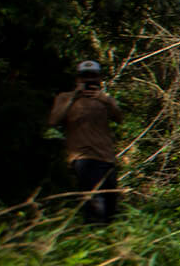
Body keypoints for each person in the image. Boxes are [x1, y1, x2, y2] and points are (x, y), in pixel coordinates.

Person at [48, 60, 123, 224]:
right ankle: (94, 233)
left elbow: (119, 118)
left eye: (93, 77)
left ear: (99, 79)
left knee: (111, 206)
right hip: (82, 157)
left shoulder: (104, 99)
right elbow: (53, 121)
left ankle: (106, 241)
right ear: (77, 79)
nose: (88, 81)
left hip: (106, 157)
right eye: (85, 77)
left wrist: (106, 100)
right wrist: (74, 97)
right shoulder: (65, 97)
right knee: (96, 202)